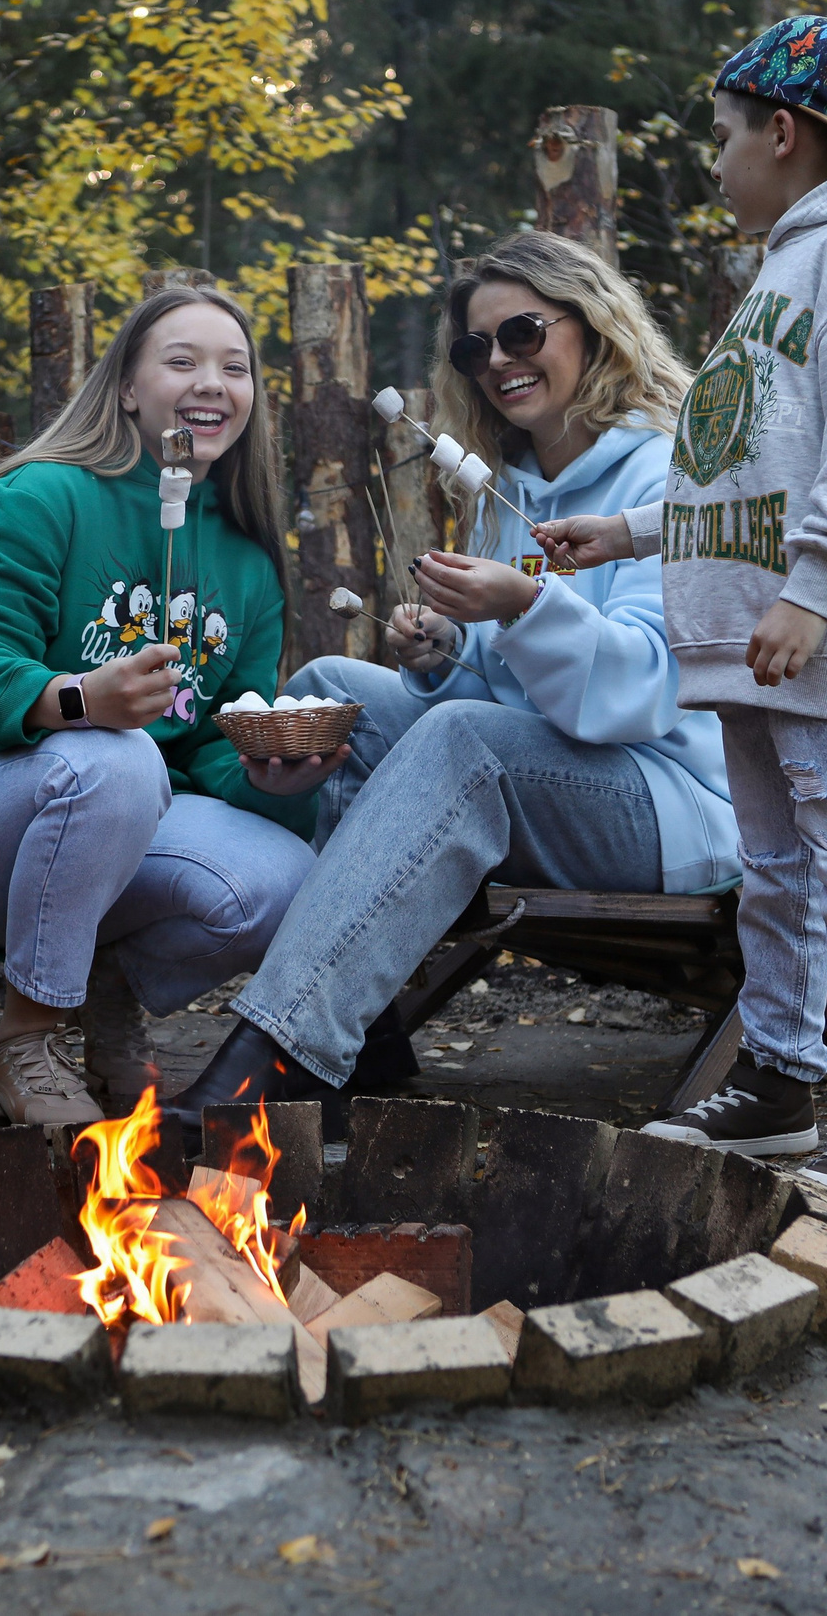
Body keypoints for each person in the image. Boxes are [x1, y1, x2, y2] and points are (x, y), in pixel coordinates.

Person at [161, 232, 739, 1134]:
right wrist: (446, 653)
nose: (498, 360)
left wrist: (523, 606)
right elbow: (511, 690)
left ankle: (278, 1055)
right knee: (331, 688)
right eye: (475, 347)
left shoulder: (666, 473)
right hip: (557, 776)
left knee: (461, 740)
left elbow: (644, 692)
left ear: (592, 326)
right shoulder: (511, 484)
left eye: (522, 332)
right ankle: (368, 1034)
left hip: (671, 798)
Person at [537, 15, 827, 1217]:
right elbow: (748, 461)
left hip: (823, 636)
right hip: (753, 645)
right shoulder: (787, 264)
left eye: (722, 137)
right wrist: (630, 532)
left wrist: (813, 592)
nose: (715, 163)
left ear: (782, 132)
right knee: (775, 873)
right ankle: (777, 1077)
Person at [0, 287, 333, 1126]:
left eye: (235, 368)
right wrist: (83, 698)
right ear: (126, 387)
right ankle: (24, 1042)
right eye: (183, 361)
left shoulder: (248, 560)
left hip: (128, 819)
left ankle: (104, 982)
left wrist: (269, 775)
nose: (213, 383)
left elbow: (213, 741)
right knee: (117, 756)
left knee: (285, 879)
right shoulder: (42, 495)